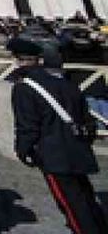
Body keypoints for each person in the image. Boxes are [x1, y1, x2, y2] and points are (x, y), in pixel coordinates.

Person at [10, 37, 108, 234]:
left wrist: (23, 150)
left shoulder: (24, 88)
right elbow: (86, 118)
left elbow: (28, 126)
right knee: (86, 198)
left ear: (18, 60)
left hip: (53, 154)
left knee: (71, 206)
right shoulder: (65, 83)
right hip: (77, 147)